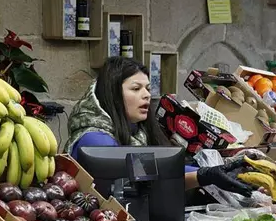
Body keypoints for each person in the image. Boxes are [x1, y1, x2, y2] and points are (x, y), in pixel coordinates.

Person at [65, 56, 255, 196]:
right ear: (112, 94)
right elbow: (142, 179)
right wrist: (203, 176)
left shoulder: (138, 131)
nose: (146, 95)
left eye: (148, 88)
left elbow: (162, 167)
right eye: (136, 88)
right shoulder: (95, 140)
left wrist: (215, 171)